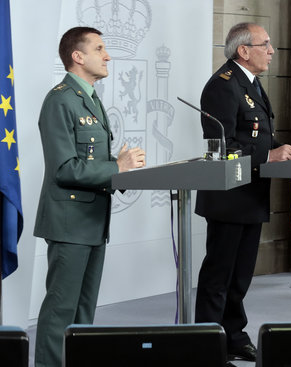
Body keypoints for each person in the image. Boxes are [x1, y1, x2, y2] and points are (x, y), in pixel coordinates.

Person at [194, 22, 291, 364]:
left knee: (241, 276)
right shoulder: (222, 86)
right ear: (243, 50)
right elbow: (223, 147)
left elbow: (257, 137)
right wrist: (267, 155)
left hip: (252, 193)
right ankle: (207, 342)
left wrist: (283, 148)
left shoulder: (251, 84)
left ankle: (233, 335)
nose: (272, 50)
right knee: (219, 275)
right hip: (229, 196)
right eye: (266, 44)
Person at [33, 27, 146, 367]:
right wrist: (117, 167)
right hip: (69, 222)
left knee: (84, 308)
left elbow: (94, 163)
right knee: (61, 307)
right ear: (77, 57)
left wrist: (121, 170)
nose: (107, 55)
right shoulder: (60, 100)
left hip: (93, 219)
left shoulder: (90, 97)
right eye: (99, 48)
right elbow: (64, 168)